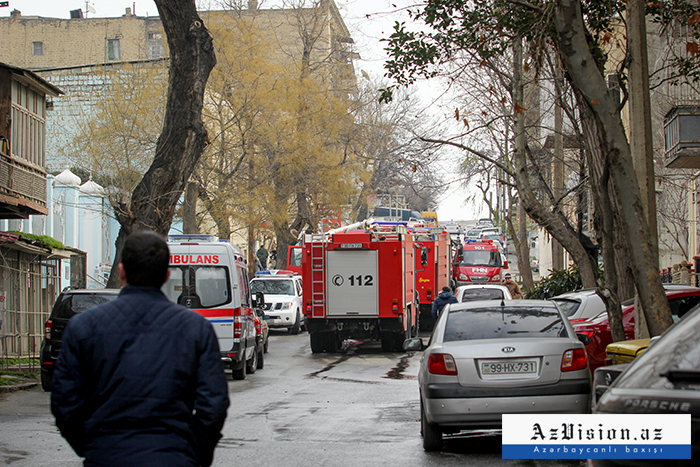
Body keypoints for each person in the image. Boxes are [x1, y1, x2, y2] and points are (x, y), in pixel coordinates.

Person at [51, 231, 230, 467]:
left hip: (106, 456)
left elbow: (65, 402)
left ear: (121, 271)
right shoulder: (196, 329)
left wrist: (93, 447)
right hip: (173, 455)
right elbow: (213, 404)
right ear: (166, 276)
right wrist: (194, 453)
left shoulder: (83, 327)